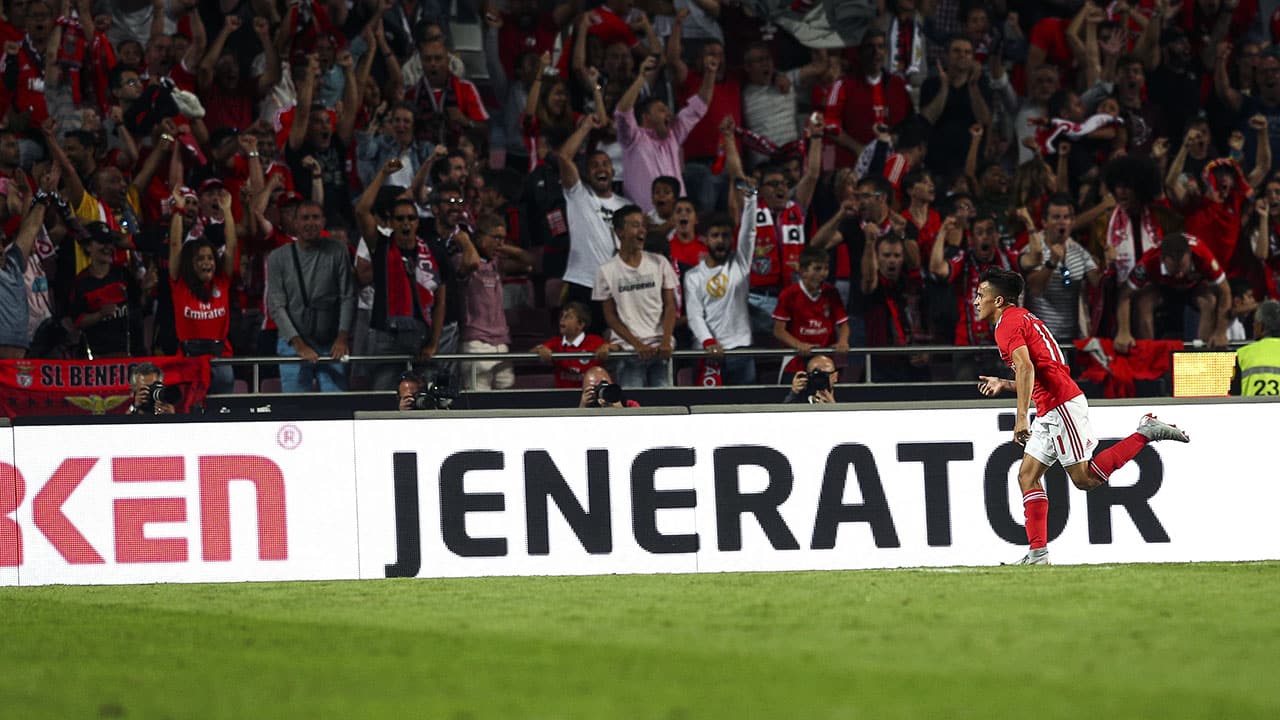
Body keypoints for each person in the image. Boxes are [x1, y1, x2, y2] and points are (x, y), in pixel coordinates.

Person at [975, 268, 1190, 566]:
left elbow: (1026, 368)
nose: (975, 301)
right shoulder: (1022, 318)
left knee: (1085, 479)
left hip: (1061, 405)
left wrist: (1021, 417)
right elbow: (1039, 371)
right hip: (1052, 405)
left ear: (998, 300)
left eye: (980, 295)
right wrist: (1005, 383)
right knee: (1027, 476)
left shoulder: (1006, 325)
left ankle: (1146, 432)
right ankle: (1038, 554)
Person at [266, 201, 356, 393]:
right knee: (296, 409)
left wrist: (342, 337)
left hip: (330, 341)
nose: (310, 223)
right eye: (305, 218)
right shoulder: (277, 257)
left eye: (315, 217)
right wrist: (298, 344)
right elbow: (276, 305)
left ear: (323, 222)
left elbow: (347, 296)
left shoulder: (338, 250)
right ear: (295, 222)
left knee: (336, 407)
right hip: (292, 341)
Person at [592, 204, 678, 388]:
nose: (642, 231)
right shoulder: (606, 271)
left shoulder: (660, 262)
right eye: (636, 225)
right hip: (628, 352)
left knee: (667, 410)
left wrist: (665, 340)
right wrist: (637, 345)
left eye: (644, 226)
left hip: (660, 349)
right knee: (632, 409)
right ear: (620, 232)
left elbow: (670, 306)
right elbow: (610, 317)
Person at [168, 188, 238, 394]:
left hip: (221, 360)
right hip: (189, 361)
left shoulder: (222, 281)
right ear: (190, 264)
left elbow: (231, 246)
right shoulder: (180, 284)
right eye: (200, 258)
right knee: (190, 415)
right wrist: (179, 210)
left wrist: (227, 211)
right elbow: (174, 245)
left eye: (209, 258)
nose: (206, 262)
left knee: (224, 415)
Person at [684, 205, 756, 386]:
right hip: (707, 353)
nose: (720, 241)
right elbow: (694, 315)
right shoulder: (693, 276)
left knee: (746, 409)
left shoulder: (740, 264)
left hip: (740, 349)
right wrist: (708, 342)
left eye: (725, 236)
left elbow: (749, 233)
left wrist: (751, 198)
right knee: (708, 410)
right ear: (705, 239)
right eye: (715, 236)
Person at [772, 245, 849, 381]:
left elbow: (843, 324)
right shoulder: (789, 294)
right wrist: (799, 345)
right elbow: (779, 331)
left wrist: (843, 341)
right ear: (803, 271)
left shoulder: (832, 292)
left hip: (826, 362)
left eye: (825, 268)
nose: (823, 273)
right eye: (817, 269)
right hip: (795, 362)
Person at [0, 181, 51, 358]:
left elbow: (32, 227)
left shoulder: (14, 263)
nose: (0, 249)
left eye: (1, 244)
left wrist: (43, 194)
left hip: (20, 358)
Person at [533, 302, 613, 389]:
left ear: (580, 324)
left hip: (590, 395)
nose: (562, 320)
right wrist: (540, 349)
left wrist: (607, 347)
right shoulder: (555, 342)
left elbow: (618, 347)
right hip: (563, 396)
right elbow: (533, 352)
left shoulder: (595, 341)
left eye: (568, 317)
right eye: (562, 316)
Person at [1235, 299, 1280, 397]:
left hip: (1251, 411)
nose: (1253, 325)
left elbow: (1232, 394)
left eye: (1255, 322)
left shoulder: (1243, 353)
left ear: (1262, 327)